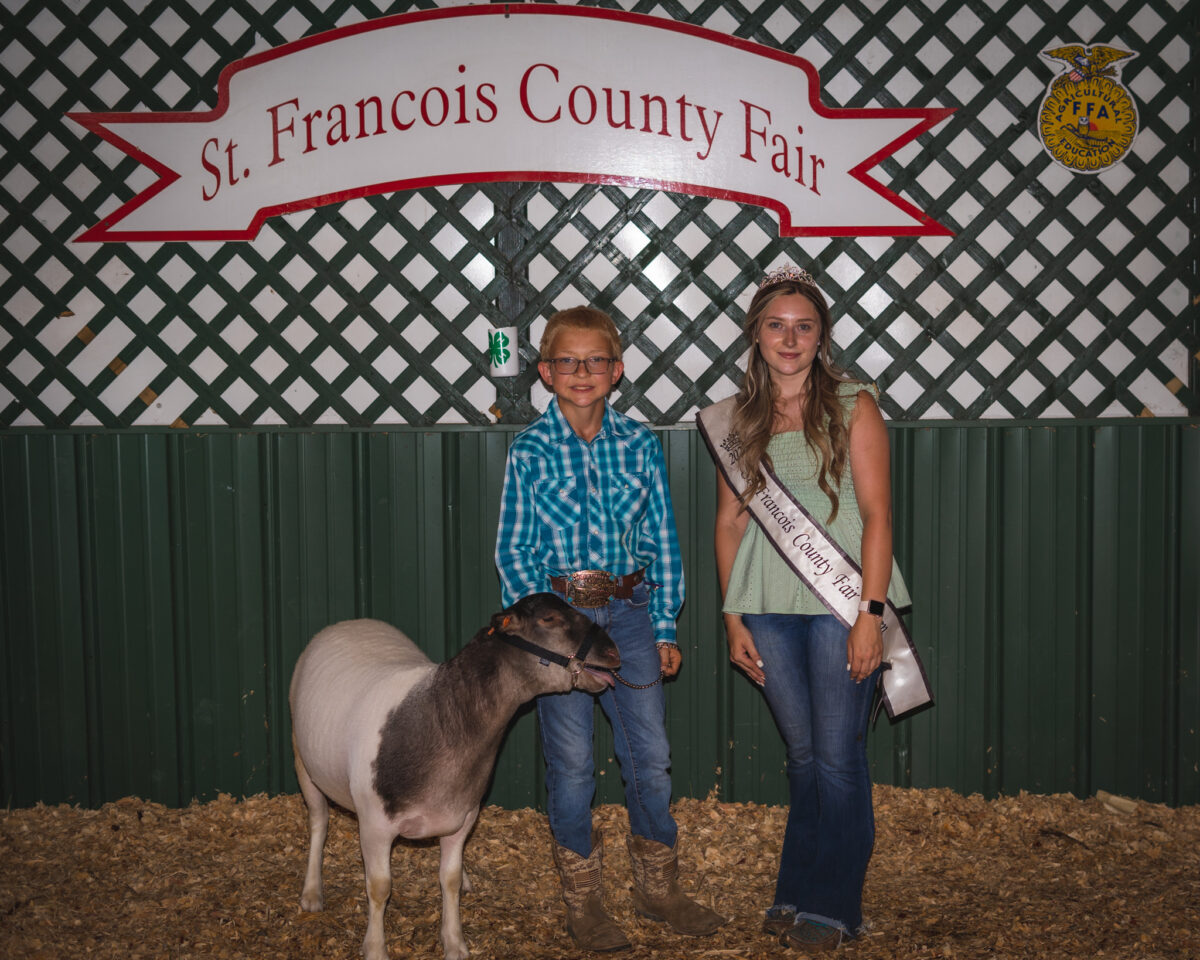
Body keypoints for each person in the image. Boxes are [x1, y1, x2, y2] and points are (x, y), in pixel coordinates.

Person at [495, 306, 725, 952]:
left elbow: (664, 543)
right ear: (545, 372)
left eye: (596, 360)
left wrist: (663, 624)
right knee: (570, 765)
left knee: (649, 755)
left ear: (617, 370)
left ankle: (658, 889)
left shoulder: (639, 445)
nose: (582, 372)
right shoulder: (530, 452)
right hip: (562, 622)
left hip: (628, 613)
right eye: (567, 361)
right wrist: (541, 635)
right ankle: (584, 902)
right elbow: (514, 554)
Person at [707, 266, 911, 952]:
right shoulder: (736, 420)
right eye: (776, 326)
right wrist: (733, 617)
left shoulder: (854, 404)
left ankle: (832, 903)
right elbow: (730, 524)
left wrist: (869, 614)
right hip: (765, 604)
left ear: (820, 336)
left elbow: (879, 516)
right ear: (755, 335)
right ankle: (796, 886)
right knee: (802, 757)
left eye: (804, 326)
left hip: (840, 602)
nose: (789, 339)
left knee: (837, 757)